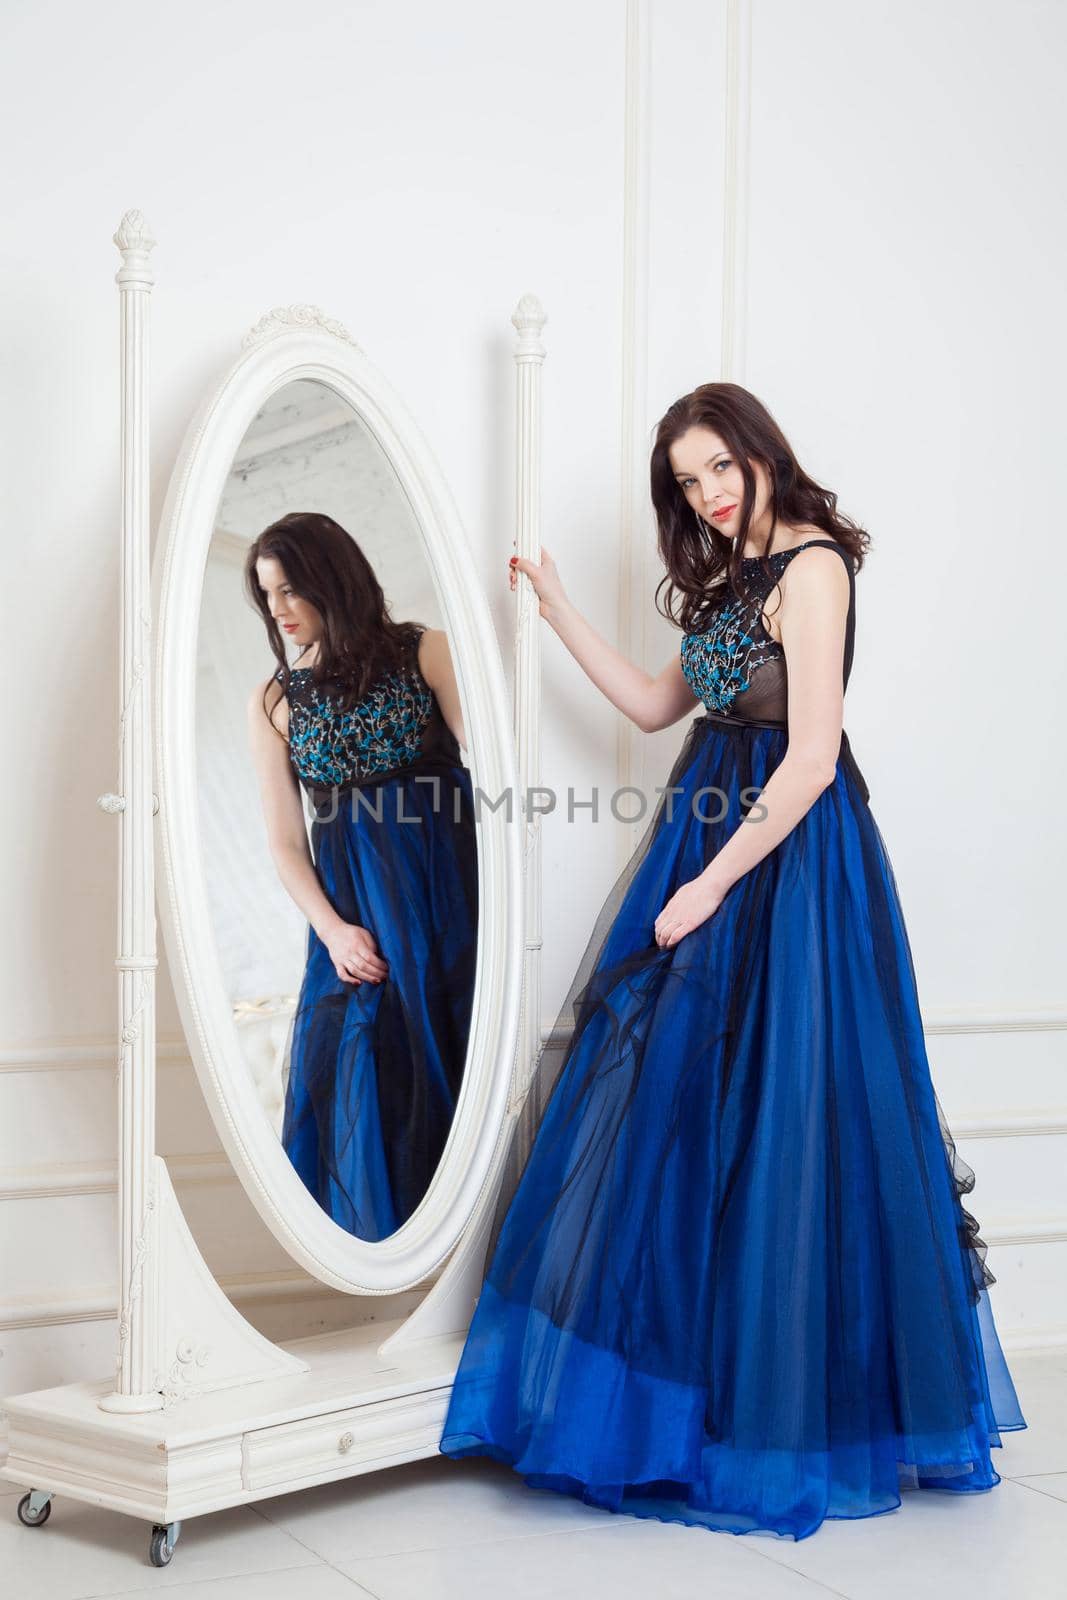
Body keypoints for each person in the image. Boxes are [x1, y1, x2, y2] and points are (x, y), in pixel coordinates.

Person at [438, 382, 1026, 1539]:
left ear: (760, 453)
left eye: (719, 467)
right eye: (686, 480)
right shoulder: (724, 577)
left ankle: (792, 1414)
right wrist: (554, 607)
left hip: (786, 863)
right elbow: (662, 704)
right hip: (702, 829)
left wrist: (709, 883)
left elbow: (808, 759)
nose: (706, 494)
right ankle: (684, 1411)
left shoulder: (812, 566)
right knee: (683, 1109)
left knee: (790, 1123)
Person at [245, 512, 479, 1242]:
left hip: (448, 899)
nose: (279, 611)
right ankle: (396, 1266)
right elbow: (284, 841)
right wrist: (332, 930)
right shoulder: (275, 701)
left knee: (463, 1065)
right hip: (353, 922)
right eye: (267, 596)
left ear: (332, 578)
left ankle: (467, 1254)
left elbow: (497, 771)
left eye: (290, 590)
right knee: (369, 1083)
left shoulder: (425, 651)